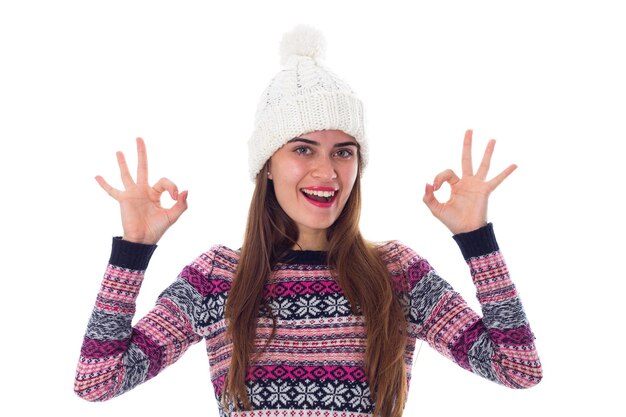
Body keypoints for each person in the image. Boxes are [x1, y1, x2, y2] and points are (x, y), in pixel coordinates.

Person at [74, 25, 542, 417]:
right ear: (268, 164)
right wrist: (133, 251)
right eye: (303, 149)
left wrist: (476, 240)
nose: (327, 171)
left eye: (344, 152)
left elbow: (517, 369)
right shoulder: (217, 278)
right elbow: (99, 382)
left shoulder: (396, 273)